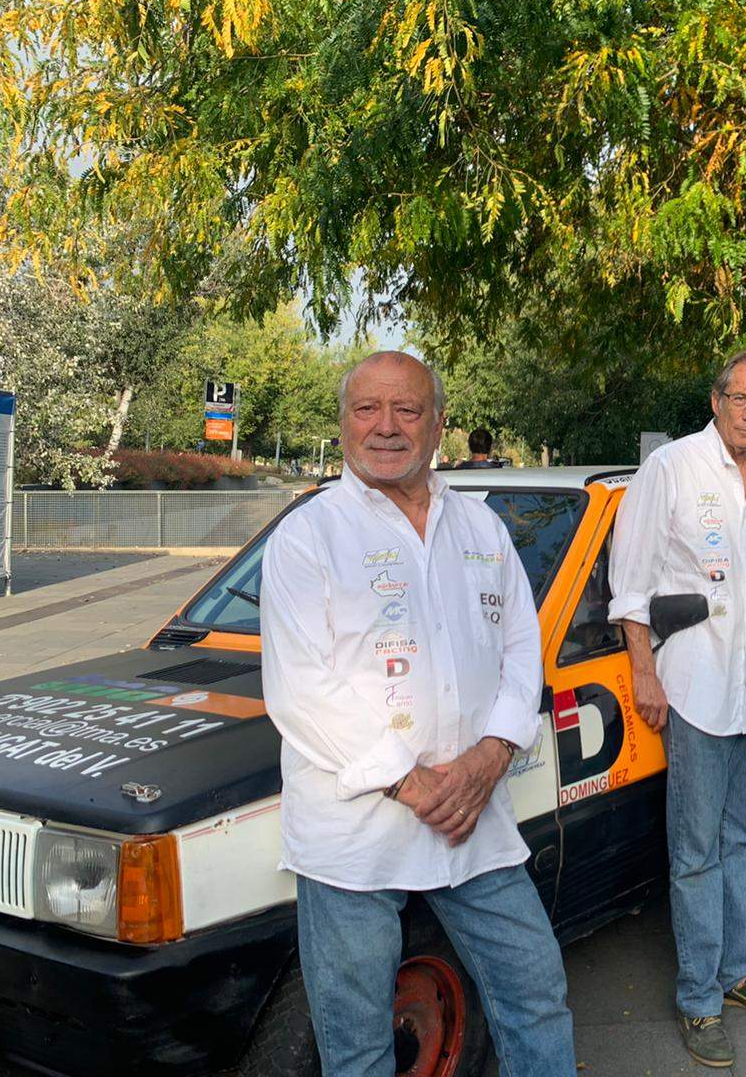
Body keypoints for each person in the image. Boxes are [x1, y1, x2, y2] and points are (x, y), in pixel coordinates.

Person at [259, 351, 575, 1077]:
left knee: (535, 991)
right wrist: (413, 783)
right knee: (358, 1041)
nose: (386, 426)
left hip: (472, 812)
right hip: (356, 834)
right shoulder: (310, 535)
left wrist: (492, 754)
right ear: (344, 422)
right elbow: (301, 687)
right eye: (367, 409)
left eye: (406, 409)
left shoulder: (480, 526)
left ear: (437, 424)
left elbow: (520, 649)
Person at [608, 350, 746, 1069]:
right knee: (695, 851)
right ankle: (699, 997)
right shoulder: (671, 468)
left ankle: (737, 971)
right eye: (740, 399)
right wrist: (644, 673)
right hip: (694, 686)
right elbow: (630, 584)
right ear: (717, 399)